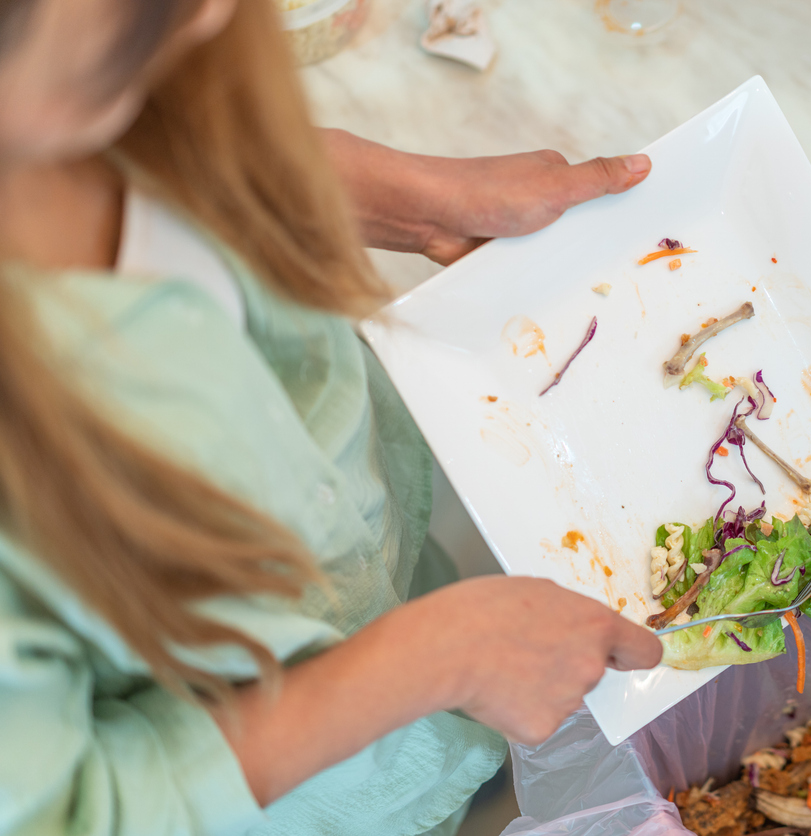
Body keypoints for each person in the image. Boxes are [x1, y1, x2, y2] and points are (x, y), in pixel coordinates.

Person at [0, 1, 663, 835]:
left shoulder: (87, 93)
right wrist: (431, 662)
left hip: (384, 581)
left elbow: (169, 146)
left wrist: (410, 200)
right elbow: (63, 812)